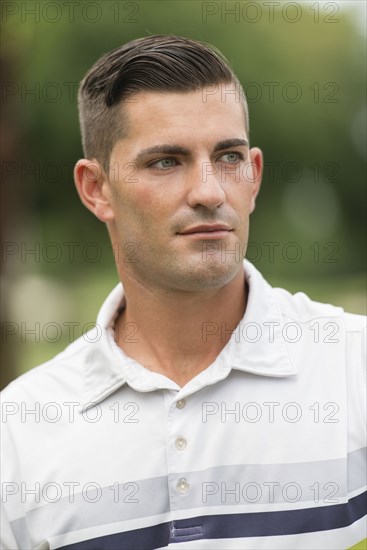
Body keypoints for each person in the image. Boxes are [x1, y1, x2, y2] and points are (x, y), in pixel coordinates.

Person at [1, 35, 365, 550]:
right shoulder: (19, 432)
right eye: (166, 162)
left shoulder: (355, 371)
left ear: (254, 175)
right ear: (96, 189)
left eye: (229, 156)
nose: (210, 192)